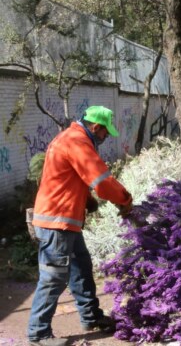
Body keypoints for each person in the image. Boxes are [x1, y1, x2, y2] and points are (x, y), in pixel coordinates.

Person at [28, 106, 134, 346]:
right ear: (96, 127)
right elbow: (102, 182)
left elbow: (69, 176)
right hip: (57, 221)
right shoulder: (76, 141)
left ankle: (90, 317)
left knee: (82, 269)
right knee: (54, 278)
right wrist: (125, 200)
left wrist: (86, 200)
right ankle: (38, 334)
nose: (106, 138)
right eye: (106, 133)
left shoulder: (70, 137)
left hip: (65, 220)